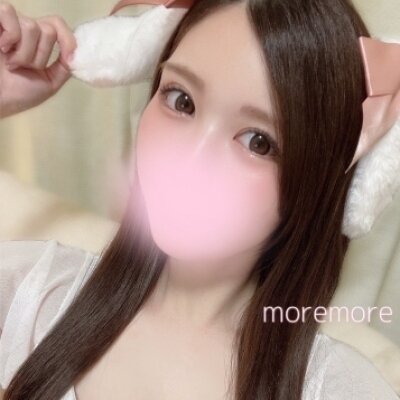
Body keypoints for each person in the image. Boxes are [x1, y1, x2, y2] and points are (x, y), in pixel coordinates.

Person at [0, 1, 399, 399]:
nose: (191, 159)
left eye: (258, 142)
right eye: (181, 101)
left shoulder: (343, 390)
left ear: (319, 185)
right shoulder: (28, 296)